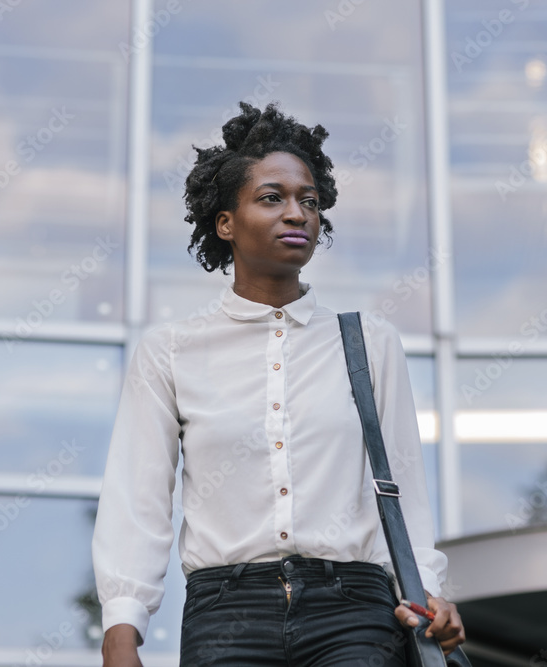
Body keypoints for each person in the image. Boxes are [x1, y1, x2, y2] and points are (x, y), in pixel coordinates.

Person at [93, 101, 464, 666]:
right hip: (226, 613)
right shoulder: (170, 351)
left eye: (309, 202)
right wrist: (122, 628)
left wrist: (427, 588)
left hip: (355, 613)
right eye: (273, 198)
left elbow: (404, 489)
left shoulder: (369, 344)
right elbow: (137, 499)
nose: (298, 213)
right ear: (225, 223)